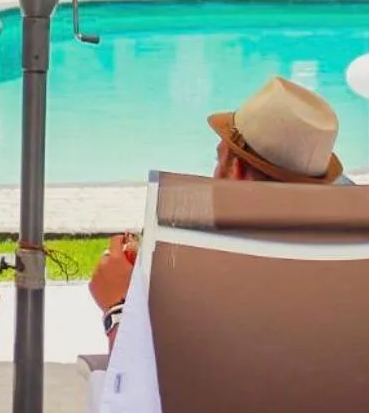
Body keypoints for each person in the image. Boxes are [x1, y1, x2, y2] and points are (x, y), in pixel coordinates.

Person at [89, 76, 346, 345]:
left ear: (236, 170)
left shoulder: (221, 292)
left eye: (218, 158)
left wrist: (118, 308)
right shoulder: (350, 267)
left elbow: (141, 384)